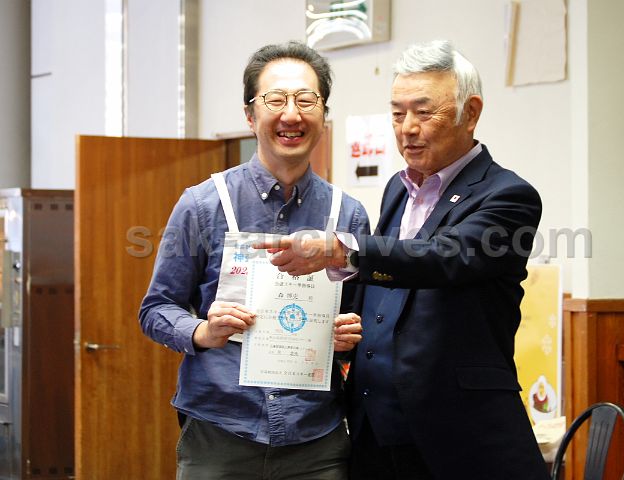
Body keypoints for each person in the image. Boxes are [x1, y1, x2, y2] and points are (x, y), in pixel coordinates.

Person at [256, 40, 550, 479]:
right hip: (377, 432)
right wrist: (335, 323)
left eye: (424, 112)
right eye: (397, 114)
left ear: (470, 112)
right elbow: (384, 282)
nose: (408, 128)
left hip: (461, 436)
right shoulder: (398, 189)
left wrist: (340, 249)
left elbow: (444, 256)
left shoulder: (507, 195)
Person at [139, 41, 370, 480]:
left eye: (306, 100)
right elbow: (156, 309)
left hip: (316, 439)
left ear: (323, 115)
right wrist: (203, 331)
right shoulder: (203, 205)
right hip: (220, 432)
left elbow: (361, 317)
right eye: (275, 100)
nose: (291, 114)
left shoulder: (349, 215)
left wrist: (348, 333)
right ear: (250, 114)